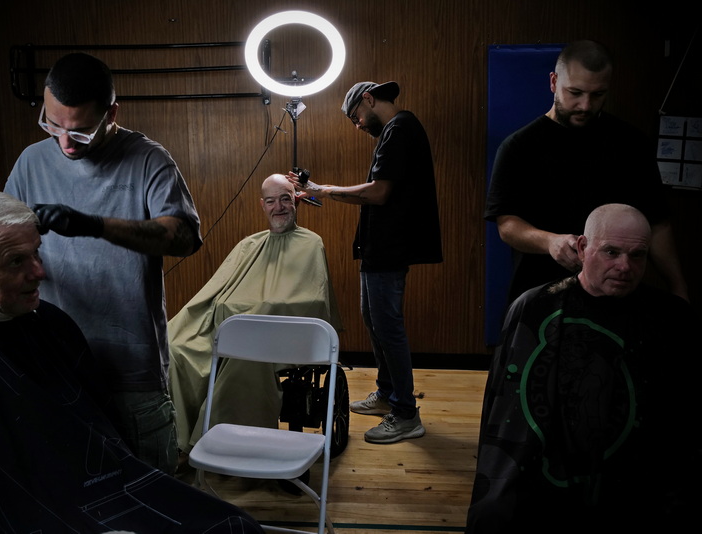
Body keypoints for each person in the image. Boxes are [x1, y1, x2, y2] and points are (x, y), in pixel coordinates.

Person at [0, 190, 262, 533]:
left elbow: (105, 436)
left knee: (235, 526)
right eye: (16, 261)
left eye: (36, 253)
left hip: (97, 491)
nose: (39, 272)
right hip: (22, 517)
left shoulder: (54, 327)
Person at [4, 52, 203, 475]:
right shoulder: (30, 163)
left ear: (112, 113)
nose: (64, 143)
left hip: (132, 374)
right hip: (56, 366)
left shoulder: (148, 159)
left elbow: (184, 237)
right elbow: (4, 245)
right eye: (52, 125)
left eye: (81, 131)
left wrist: (94, 226)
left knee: (151, 500)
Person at [466, 204, 700, 533]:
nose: (624, 266)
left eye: (637, 255)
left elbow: (680, 424)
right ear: (582, 247)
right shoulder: (534, 308)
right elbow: (506, 418)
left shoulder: (669, 319)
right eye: (611, 252)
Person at [289, 81, 443, 444]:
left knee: (388, 326)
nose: (357, 125)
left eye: (356, 116)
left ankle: (405, 413)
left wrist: (324, 191)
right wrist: (321, 189)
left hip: (389, 248)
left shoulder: (400, 129)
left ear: (369, 100)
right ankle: (388, 394)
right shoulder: (394, 131)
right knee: (374, 320)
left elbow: (378, 192)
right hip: (379, 248)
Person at [485, 39, 688, 305]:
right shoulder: (518, 147)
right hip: (541, 295)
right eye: (575, 92)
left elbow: (657, 222)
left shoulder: (632, 145)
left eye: (597, 95)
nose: (585, 105)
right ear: (554, 82)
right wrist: (550, 242)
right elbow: (507, 225)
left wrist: (679, 288)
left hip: (617, 299)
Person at [168, 174, 342, 454]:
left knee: (244, 357)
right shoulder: (249, 245)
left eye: (285, 199)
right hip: (224, 329)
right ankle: (178, 442)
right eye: (271, 201)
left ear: (296, 200)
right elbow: (215, 293)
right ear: (262, 205)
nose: (279, 207)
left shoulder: (311, 243)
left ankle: (230, 447)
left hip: (275, 337)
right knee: (177, 349)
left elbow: (313, 299)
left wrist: (261, 312)